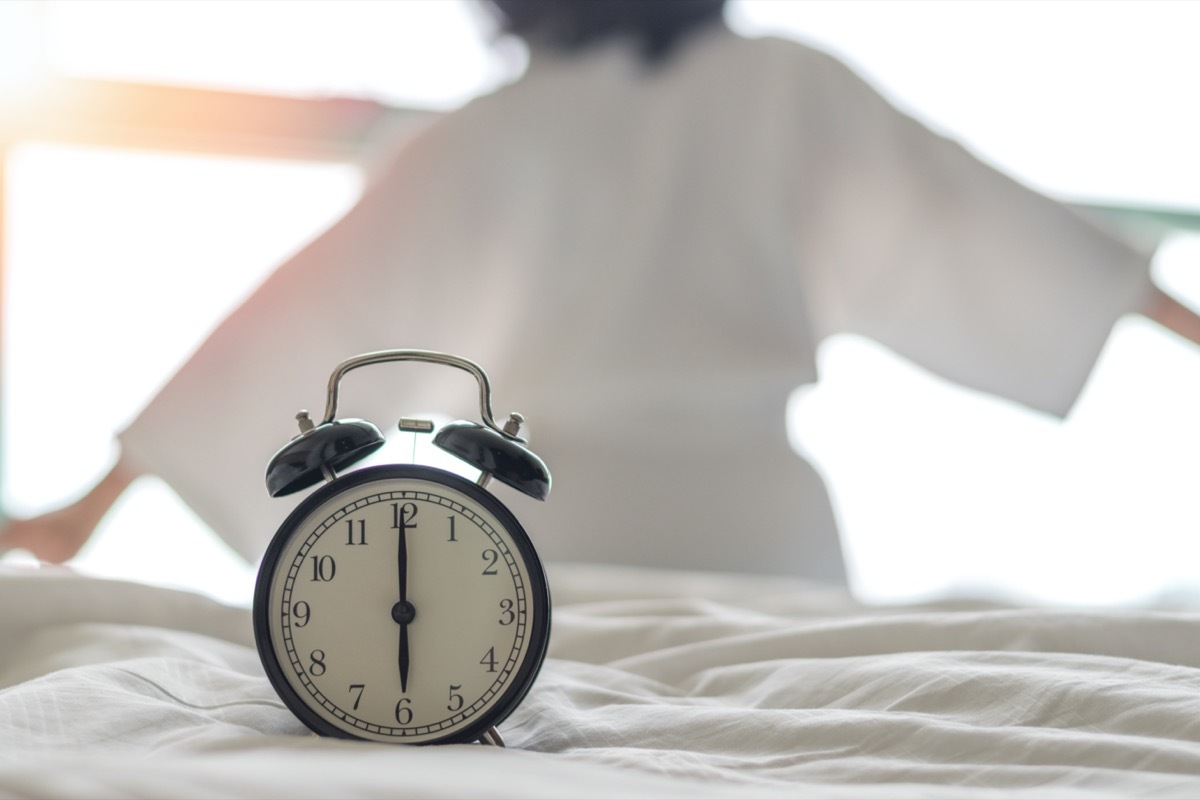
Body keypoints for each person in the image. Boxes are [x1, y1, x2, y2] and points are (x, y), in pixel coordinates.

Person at [2, 0, 1198, 584]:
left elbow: (302, 326)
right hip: (766, 539)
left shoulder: (487, 137)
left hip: (550, 551)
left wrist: (87, 506)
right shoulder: (787, 87)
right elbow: (987, 227)